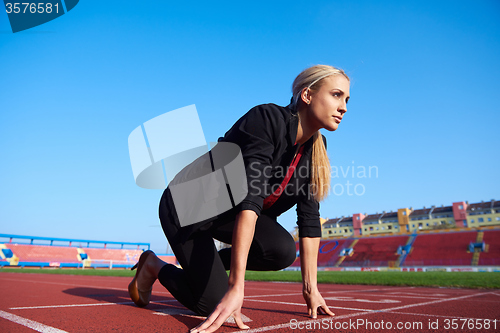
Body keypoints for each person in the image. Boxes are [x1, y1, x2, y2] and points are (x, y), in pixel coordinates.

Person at [128, 64, 350, 332]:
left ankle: (205, 271)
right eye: (337, 95)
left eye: (347, 100)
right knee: (212, 305)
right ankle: (153, 265)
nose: (344, 107)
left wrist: (311, 289)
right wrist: (235, 286)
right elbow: (250, 200)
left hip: (227, 215)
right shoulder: (267, 119)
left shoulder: (317, 149)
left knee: (282, 251)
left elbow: (309, 220)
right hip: (187, 207)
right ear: (307, 95)